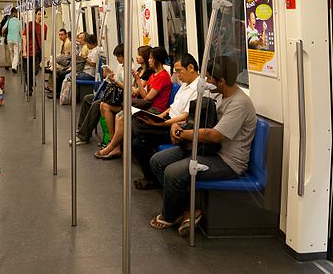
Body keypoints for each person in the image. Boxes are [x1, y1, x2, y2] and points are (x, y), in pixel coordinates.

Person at [149, 55, 257, 236]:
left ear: (221, 81)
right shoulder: (219, 95)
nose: (205, 81)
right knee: (157, 161)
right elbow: (197, 120)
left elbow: (214, 136)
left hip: (227, 160)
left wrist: (182, 134)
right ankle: (186, 211)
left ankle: (170, 215)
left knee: (173, 172)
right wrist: (178, 126)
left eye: (209, 78)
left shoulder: (239, 104)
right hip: (209, 150)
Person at [132, 53, 202, 190]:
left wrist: (161, 124)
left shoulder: (199, 89)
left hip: (177, 127)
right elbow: (172, 107)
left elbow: (185, 116)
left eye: (179, 71)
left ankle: (152, 179)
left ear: (191, 67)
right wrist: (160, 117)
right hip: (168, 119)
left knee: (139, 141)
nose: (177, 75)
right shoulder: (185, 85)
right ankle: (151, 177)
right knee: (139, 128)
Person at [95, 47, 172, 159]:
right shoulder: (153, 75)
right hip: (147, 105)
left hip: (156, 109)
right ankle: (115, 148)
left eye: (151, 58)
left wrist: (138, 81)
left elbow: (147, 97)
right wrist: (138, 79)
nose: (149, 60)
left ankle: (111, 147)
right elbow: (142, 92)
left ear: (156, 60)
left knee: (122, 118)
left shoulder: (162, 76)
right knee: (118, 116)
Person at [74, 44, 124, 145]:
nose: (117, 59)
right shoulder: (120, 66)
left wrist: (115, 81)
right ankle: (81, 128)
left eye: (119, 57)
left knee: (96, 104)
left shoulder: (130, 69)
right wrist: (110, 77)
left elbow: (125, 86)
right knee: (87, 98)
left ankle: (83, 136)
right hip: (114, 93)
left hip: (119, 98)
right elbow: (116, 82)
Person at [21, 8, 47, 96]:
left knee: (35, 70)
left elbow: (43, 40)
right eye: (39, 14)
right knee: (27, 71)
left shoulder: (44, 27)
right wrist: (24, 50)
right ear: (35, 15)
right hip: (28, 51)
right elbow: (24, 37)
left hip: (37, 52)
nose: (41, 16)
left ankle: (32, 80)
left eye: (42, 14)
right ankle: (30, 89)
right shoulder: (30, 25)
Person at [3, 7, 21, 72]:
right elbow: (21, 32)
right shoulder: (19, 22)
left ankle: (14, 66)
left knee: (11, 53)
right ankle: (14, 67)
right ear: (16, 13)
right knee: (16, 53)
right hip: (17, 39)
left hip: (9, 39)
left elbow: (3, 29)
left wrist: (3, 35)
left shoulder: (8, 21)